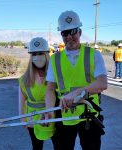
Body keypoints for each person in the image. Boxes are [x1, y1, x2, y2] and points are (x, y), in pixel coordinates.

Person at [45, 10, 107, 150]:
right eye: (65, 33)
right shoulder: (55, 59)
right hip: (64, 116)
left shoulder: (94, 55)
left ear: (79, 31)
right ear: (61, 35)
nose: (69, 37)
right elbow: (50, 89)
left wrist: (76, 93)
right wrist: (49, 110)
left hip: (89, 115)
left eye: (73, 31)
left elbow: (102, 83)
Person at [18, 37, 57, 150]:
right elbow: (21, 103)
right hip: (32, 120)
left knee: (58, 145)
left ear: (46, 55)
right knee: (36, 146)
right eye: (34, 54)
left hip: (51, 117)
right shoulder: (23, 80)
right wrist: (23, 120)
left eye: (40, 53)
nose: (37, 57)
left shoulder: (55, 76)